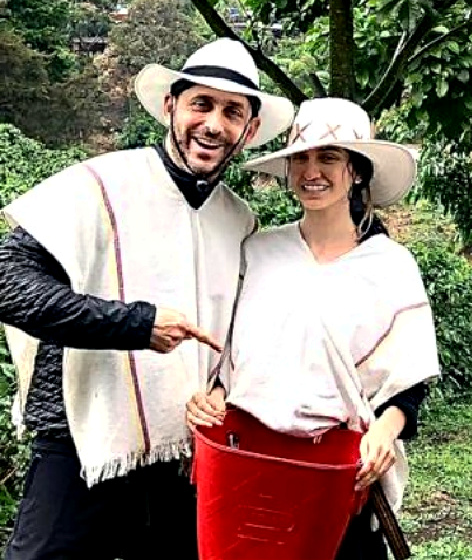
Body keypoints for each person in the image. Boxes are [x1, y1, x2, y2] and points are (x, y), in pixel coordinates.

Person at [0, 38, 294, 559]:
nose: (213, 125)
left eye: (232, 112)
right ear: (170, 107)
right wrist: (134, 324)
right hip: (84, 437)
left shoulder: (240, 221)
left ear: (247, 131)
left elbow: (247, 331)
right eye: (200, 104)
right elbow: (9, 282)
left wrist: (227, 390)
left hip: (186, 447)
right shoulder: (101, 184)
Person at [185, 97, 439, 559]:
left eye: (328, 158)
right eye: (301, 158)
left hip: (337, 472)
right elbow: (231, 354)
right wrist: (216, 395)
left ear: (356, 171)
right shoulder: (258, 251)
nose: (311, 171)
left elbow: (409, 379)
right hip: (250, 461)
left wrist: (385, 430)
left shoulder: (391, 267)